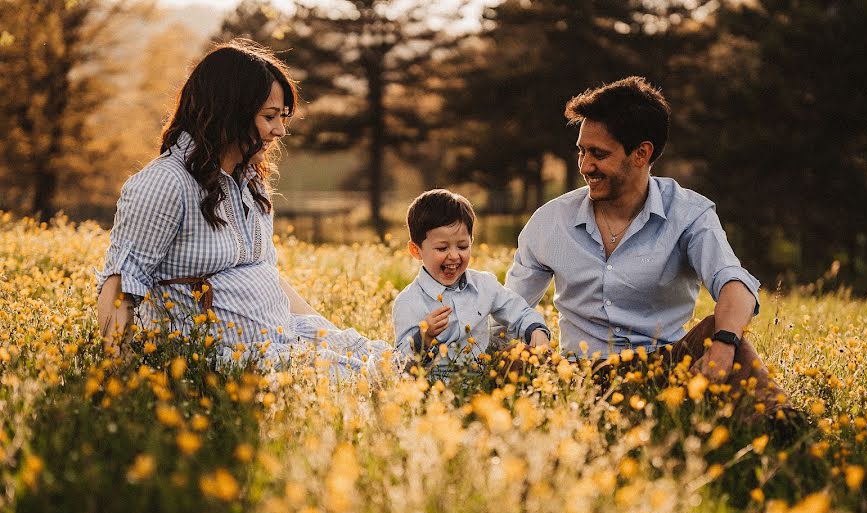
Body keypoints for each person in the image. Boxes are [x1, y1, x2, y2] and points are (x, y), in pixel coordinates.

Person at [96, 39, 390, 376]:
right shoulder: (165, 183)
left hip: (282, 341)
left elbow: (268, 278)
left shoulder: (250, 181)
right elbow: (120, 285)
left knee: (392, 364)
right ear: (230, 113)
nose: (280, 130)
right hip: (223, 360)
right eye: (269, 117)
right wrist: (117, 381)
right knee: (366, 381)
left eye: (283, 117)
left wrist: (331, 336)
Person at [504, 76, 790, 409]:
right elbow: (508, 309)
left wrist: (723, 345)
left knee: (726, 332)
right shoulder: (551, 221)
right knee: (512, 356)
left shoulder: (688, 213)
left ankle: (782, 425)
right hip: (576, 376)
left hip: (664, 369)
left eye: (598, 154)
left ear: (642, 153)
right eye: (581, 151)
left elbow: (733, 283)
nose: (585, 166)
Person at [393, 189, 550, 378]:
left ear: (472, 242)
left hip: (483, 380)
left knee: (522, 356)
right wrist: (424, 337)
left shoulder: (484, 285)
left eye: (462, 246)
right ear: (416, 250)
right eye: (442, 248)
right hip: (436, 390)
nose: (454, 255)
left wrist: (536, 331)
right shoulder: (408, 302)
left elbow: (519, 311)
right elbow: (401, 365)